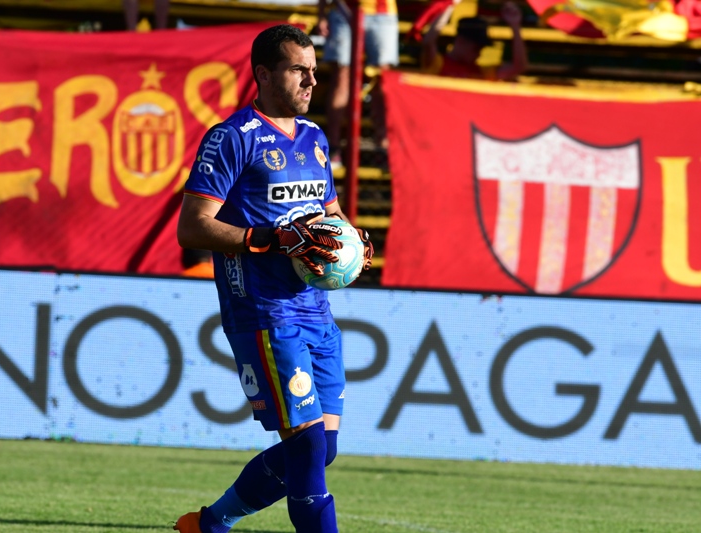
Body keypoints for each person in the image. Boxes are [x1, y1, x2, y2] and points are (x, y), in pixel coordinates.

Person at [173, 23, 373, 533]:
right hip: (264, 313)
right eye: (298, 70)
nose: (311, 81)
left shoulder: (315, 138)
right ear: (263, 74)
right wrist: (268, 239)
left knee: (322, 449)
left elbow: (328, 212)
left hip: (316, 312)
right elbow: (192, 227)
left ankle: (210, 523)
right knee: (305, 446)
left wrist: (350, 243)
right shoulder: (232, 138)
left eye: (313, 70)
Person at [317, 0, 400, 168]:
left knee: (382, 80)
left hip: (382, 13)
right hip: (343, 9)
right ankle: (333, 147)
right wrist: (321, 14)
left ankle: (383, 146)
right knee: (342, 77)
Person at [422, 2, 528, 80]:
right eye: (476, 48)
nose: (479, 54)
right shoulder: (438, 64)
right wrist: (449, 6)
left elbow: (518, 67)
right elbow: (428, 42)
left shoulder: (482, 72)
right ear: (461, 41)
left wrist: (515, 25)